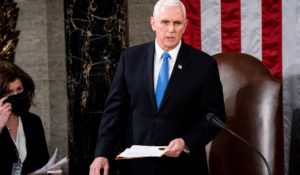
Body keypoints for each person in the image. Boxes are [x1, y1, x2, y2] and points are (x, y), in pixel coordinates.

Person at [89, 0, 226, 175]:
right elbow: (113, 112)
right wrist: (102, 153)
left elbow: (214, 116)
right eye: (165, 22)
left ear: (185, 25)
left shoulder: (204, 65)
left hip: (183, 166)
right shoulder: (130, 59)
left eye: (177, 23)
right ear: (153, 23)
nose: (171, 29)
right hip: (136, 167)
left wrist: (186, 142)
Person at [0, 60, 49, 175]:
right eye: (9, 92)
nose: (16, 95)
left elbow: (43, 162)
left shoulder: (33, 121)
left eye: (19, 89)